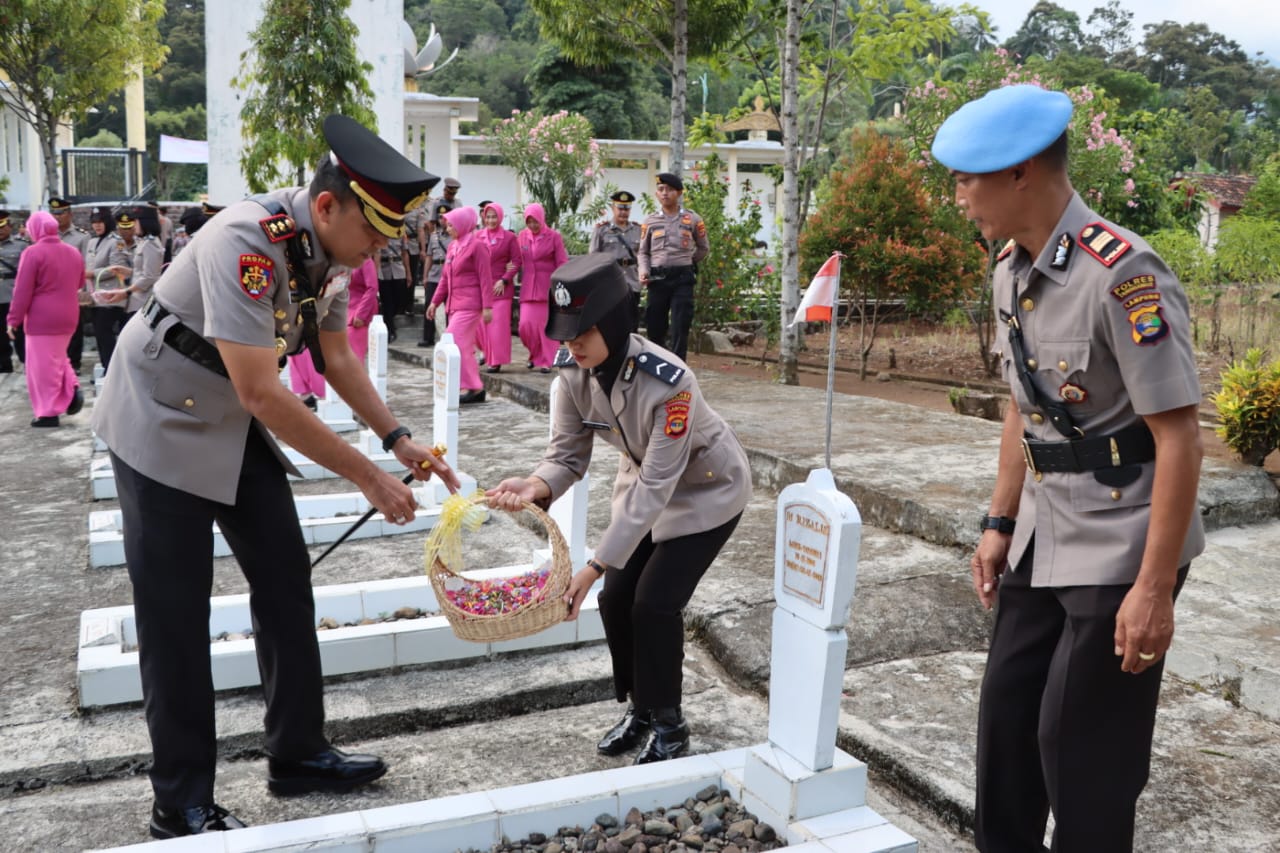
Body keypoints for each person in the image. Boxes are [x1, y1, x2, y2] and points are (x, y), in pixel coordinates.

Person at [91, 114, 461, 840]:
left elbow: (338, 358)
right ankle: (181, 799)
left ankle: (296, 751)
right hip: (160, 410)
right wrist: (368, 477)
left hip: (222, 409)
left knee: (285, 574)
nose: (380, 248)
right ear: (328, 206)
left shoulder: (326, 252)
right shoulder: (247, 243)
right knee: (175, 610)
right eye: (375, 230)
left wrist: (397, 438)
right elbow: (265, 392)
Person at [931, 84, 1205, 852]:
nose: (959, 197)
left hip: (1125, 536)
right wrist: (998, 521)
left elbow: (1181, 437)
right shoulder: (1010, 271)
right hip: (1046, 531)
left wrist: (1154, 589)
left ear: (1020, 171)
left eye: (966, 178)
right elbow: (1026, 405)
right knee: (1007, 727)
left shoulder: (1122, 274)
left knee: (1081, 751)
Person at [487, 253, 751, 764]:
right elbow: (566, 455)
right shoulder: (573, 371)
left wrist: (591, 566)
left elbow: (657, 485)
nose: (571, 344)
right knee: (615, 599)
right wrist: (533, 485)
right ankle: (641, 708)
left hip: (705, 493)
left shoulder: (670, 381)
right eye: (565, 334)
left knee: (654, 603)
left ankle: (671, 725)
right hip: (647, 490)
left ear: (612, 321)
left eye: (582, 332)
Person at [5, 211, 84, 427]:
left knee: (41, 368)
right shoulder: (73, 252)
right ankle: (72, 390)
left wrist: (13, 320)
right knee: (58, 357)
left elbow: (22, 291)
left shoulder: (33, 253)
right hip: (69, 314)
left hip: (42, 318)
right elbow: (78, 283)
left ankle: (48, 413)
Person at [637, 173, 708, 361]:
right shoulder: (650, 221)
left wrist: (687, 262)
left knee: (680, 324)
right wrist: (643, 271)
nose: (665, 193)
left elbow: (703, 247)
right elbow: (643, 252)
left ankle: (678, 366)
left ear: (679, 193)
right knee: (654, 324)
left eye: (669, 190)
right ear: (656, 194)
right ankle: (656, 362)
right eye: (661, 190)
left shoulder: (692, 219)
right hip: (658, 278)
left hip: (682, 279)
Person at [427, 206, 492, 404]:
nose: (448, 229)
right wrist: (434, 302)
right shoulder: (454, 246)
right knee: (460, 344)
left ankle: (472, 386)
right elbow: (445, 279)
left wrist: (488, 307)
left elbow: (485, 277)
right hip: (455, 305)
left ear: (463, 224)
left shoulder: (477, 245)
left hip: (471, 304)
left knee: (455, 341)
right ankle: (473, 387)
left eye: (451, 225)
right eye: (447, 225)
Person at [514, 202, 567, 372]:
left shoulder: (553, 236)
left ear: (541, 219)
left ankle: (547, 360)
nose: (532, 225)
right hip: (528, 286)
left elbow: (561, 262)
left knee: (545, 327)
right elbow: (515, 258)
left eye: (535, 221)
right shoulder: (522, 236)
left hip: (547, 287)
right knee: (525, 327)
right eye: (529, 221)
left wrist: (560, 285)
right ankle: (535, 354)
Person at [590, 190, 643, 331]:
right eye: (620, 208)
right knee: (611, 324)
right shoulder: (602, 230)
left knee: (631, 325)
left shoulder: (638, 230)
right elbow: (593, 258)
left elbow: (644, 255)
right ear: (613, 208)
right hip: (610, 284)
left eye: (627, 208)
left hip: (632, 283)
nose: (623, 212)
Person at [49, 197, 91, 371]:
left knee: (73, 328)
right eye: (54, 213)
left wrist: (83, 289)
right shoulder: (47, 236)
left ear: (70, 214)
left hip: (73, 288)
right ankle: (55, 362)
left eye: (61, 213)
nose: (57, 217)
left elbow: (86, 264)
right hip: (50, 289)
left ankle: (74, 363)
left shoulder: (82, 237)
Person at [84, 207, 128, 372]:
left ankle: (112, 368)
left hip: (111, 296)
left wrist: (91, 274)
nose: (97, 226)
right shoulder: (92, 242)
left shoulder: (116, 241)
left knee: (107, 333)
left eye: (100, 222)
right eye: (94, 222)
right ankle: (105, 366)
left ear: (108, 222)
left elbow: (117, 268)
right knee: (100, 334)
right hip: (94, 296)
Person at [478, 202, 519, 373]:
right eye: (488, 217)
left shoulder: (509, 238)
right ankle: (486, 354)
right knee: (481, 326)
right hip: (482, 288)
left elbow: (517, 261)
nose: (491, 220)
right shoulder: (478, 236)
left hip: (501, 288)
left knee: (498, 327)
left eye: (494, 217)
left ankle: (496, 361)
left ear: (500, 217)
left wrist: (504, 279)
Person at [122, 206, 166, 321]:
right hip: (137, 300)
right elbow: (141, 270)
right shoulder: (144, 242)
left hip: (143, 301)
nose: (134, 225)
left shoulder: (150, 244)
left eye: (136, 221)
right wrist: (125, 270)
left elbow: (149, 276)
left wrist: (127, 291)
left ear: (145, 222)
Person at [417, 204, 452, 348]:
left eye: (444, 216)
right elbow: (429, 257)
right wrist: (425, 276)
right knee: (429, 305)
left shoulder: (455, 236)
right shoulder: (434, 236)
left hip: (449, 275)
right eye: (439, 217)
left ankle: (451, 336)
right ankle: (428, 337)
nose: (441, 219)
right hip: (434, 274)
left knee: (450, 308)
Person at [0, 210, 30, 372]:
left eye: (3, 226)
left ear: (9, 227)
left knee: (19, 332)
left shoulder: (21, 245)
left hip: (14, 294)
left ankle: (26, 361)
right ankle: (4, 363)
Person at [376, 230, 409, 341]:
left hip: (398, 269)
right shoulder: (380, 233)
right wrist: (376, 273)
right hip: (384, 270)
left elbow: (405, 253)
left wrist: (408, 273)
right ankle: (390, 330)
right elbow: (377, 254)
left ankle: (390, 321)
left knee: (399, 301)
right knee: (387, 302)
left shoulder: (401, 233)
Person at [346, 257, 379, 364]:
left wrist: (361, 315)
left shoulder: (366, 261)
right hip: (345, 311)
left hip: (359, 312)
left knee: (355, 359)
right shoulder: (343, 261)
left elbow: (372, 288)